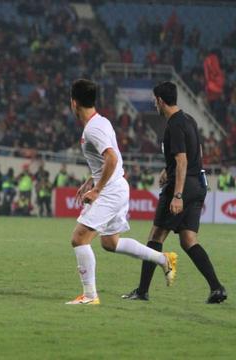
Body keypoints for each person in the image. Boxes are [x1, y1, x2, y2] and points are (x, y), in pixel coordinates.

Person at [66, 79, 177, 305]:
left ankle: (89, 296)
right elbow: (109, 157)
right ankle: (163, 259)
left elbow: (112, 157)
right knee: (110, 243)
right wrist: (91, 179)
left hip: (110, 191)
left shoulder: (93, 129)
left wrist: (97, 189)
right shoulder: (101, 122)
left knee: (79, 238)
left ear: (73, 103)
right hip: (115, 186)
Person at [122, 81, 227, 304]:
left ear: (160, 100)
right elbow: (194, 151)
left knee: (155, 237)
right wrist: (167, 168)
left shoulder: (174, 124)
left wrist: (177, 195)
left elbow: (182, 159)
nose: (154, 105)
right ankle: (217, 288)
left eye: (154, 101)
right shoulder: (188, 119)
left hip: (182, 187)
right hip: (198, 184)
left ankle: (142, 291)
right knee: (189, 240)